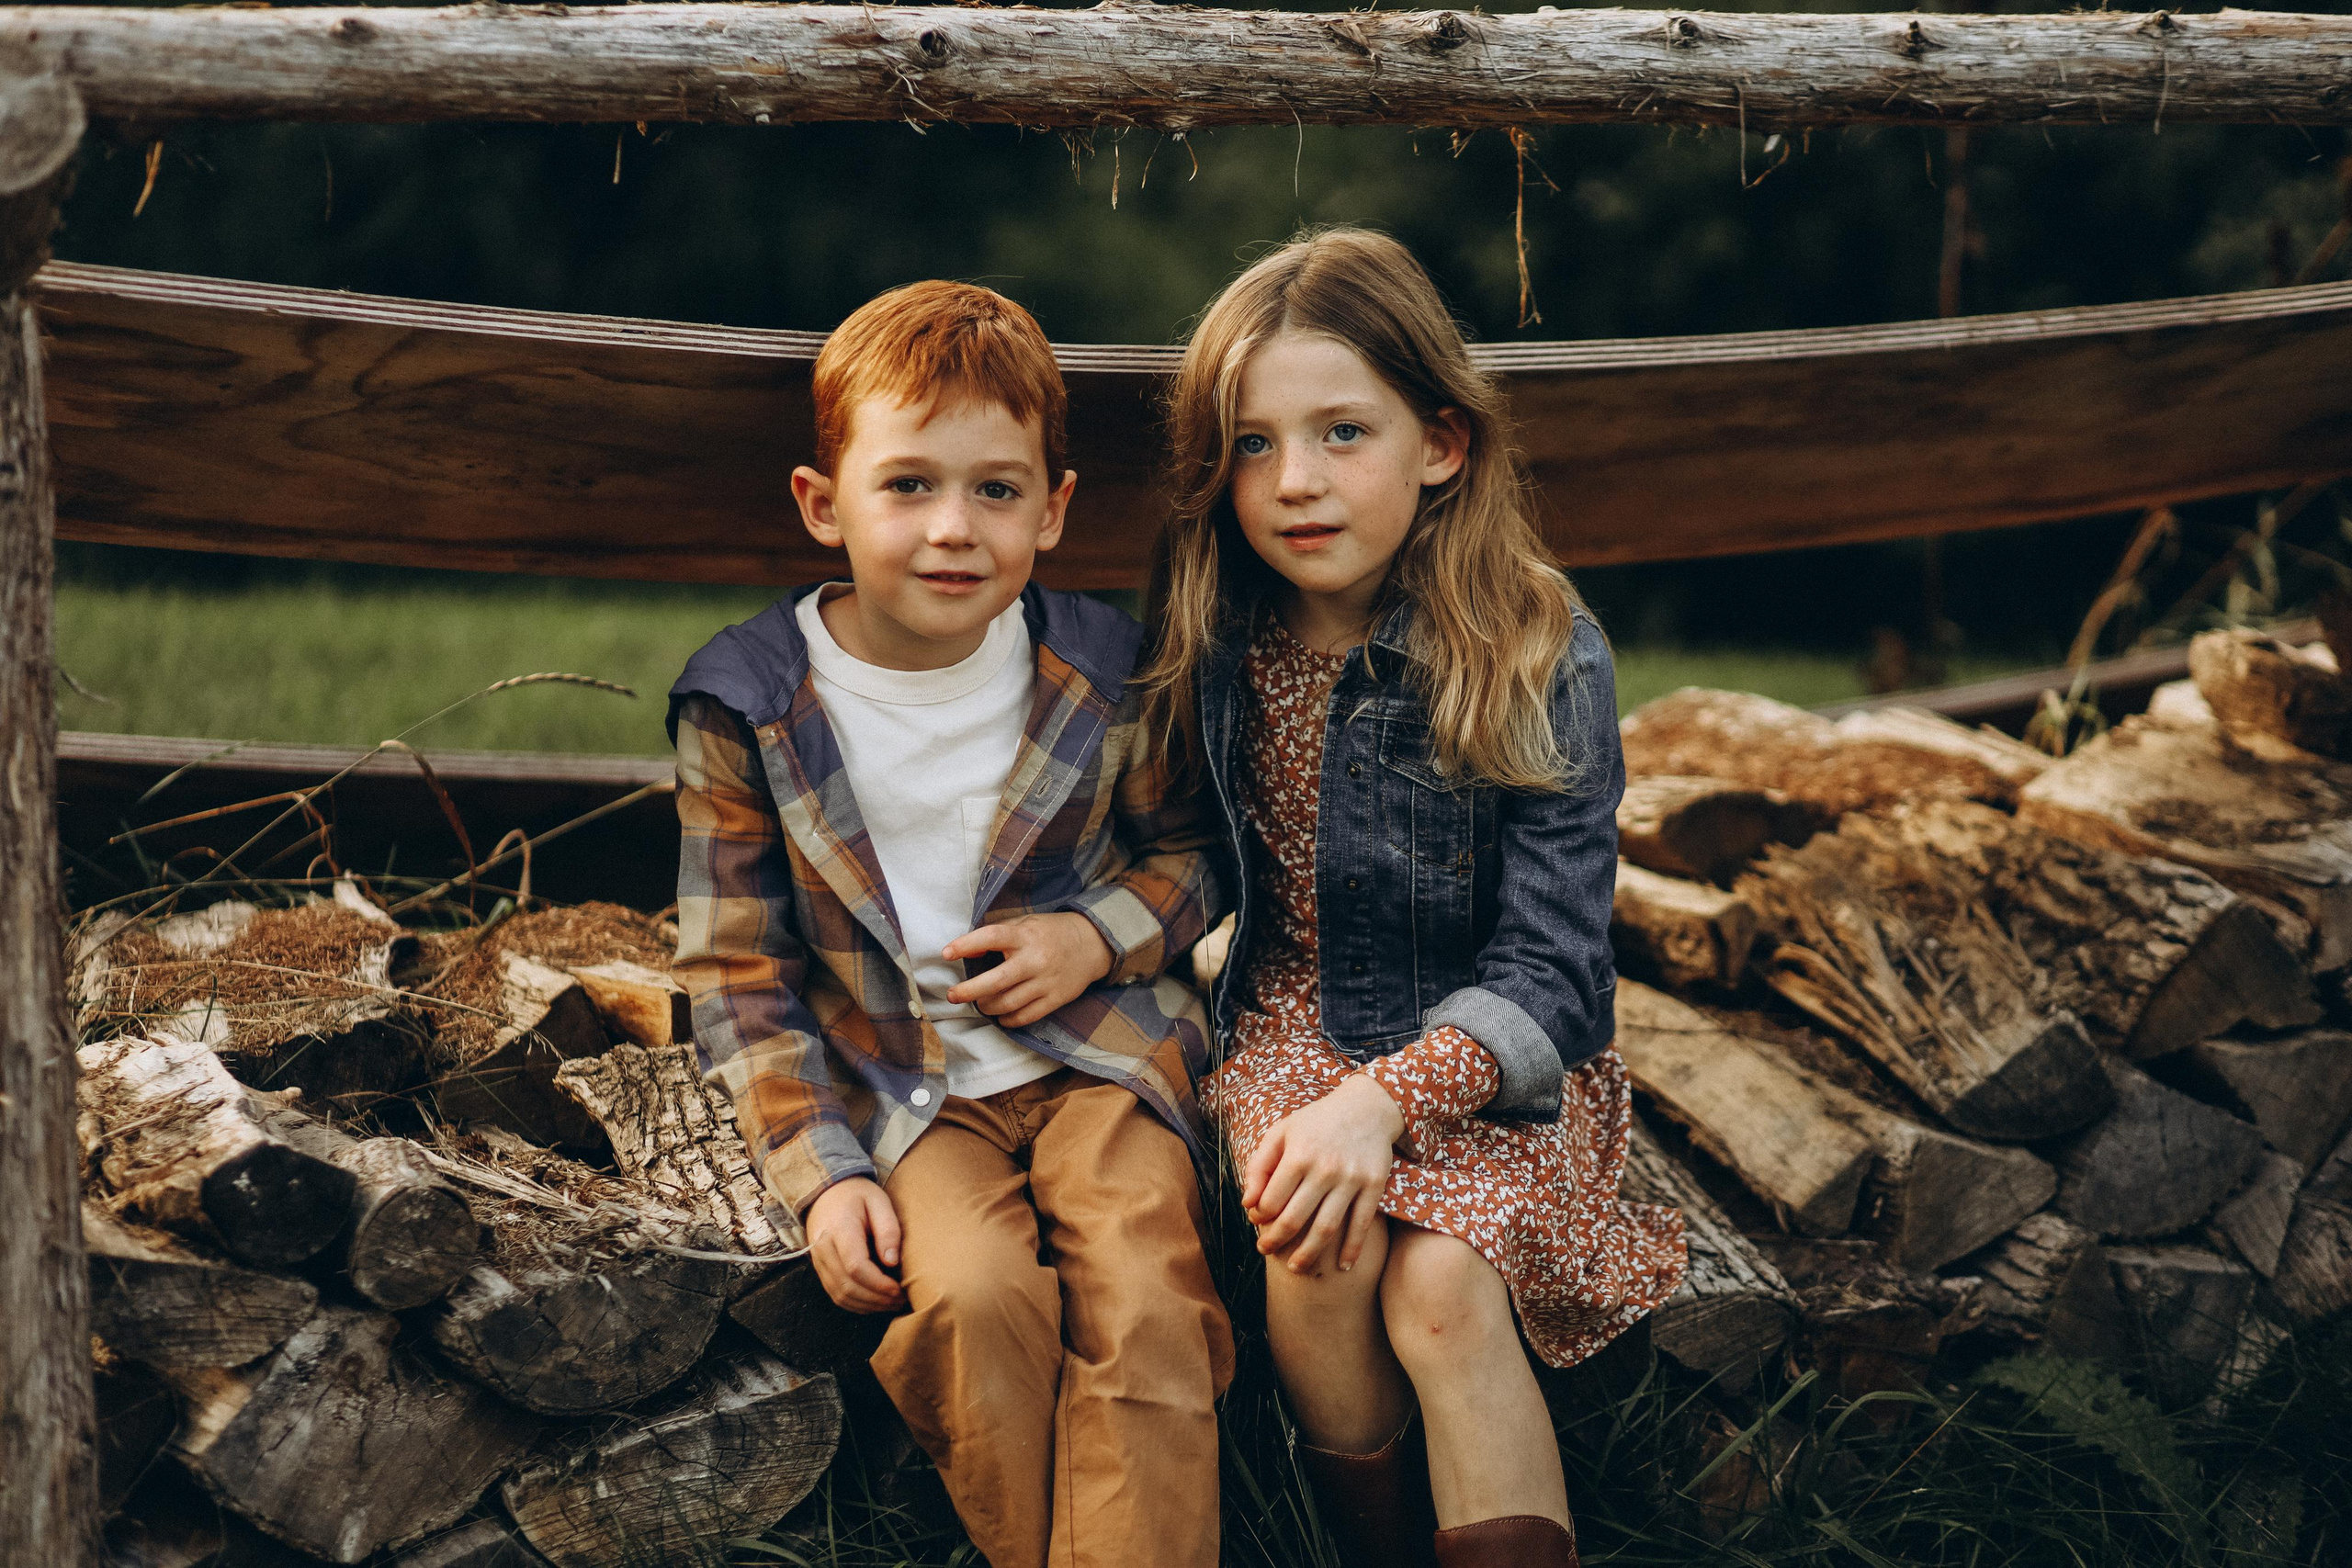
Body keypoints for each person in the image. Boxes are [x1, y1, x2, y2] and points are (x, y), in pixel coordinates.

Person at [1138, 229, 1689, 1568]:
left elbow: (1560, 974)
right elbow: (1200, 850)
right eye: (1254, 444)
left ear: (1440, 444)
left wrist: (1388, 1098)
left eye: (1342, 432)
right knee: (1315, 1245)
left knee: (1442, 1285)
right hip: (1293, 1031)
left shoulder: (1536, 646)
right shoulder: (1220, 626)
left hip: (1495, 1057)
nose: (1296, 482)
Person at [669, 279, 1234, 1568]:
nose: (953, 530)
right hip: (902, 1086)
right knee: (976, 1305)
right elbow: (737, 972)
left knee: (1145, 1299)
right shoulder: (747, 704)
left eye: (996, 490)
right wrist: (821, 1173)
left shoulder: (1104, 671)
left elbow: (1198, 858)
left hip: (1106, 1063)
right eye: (909, 485)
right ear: (825, 504)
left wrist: (1096, 937)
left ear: (1054, 507)